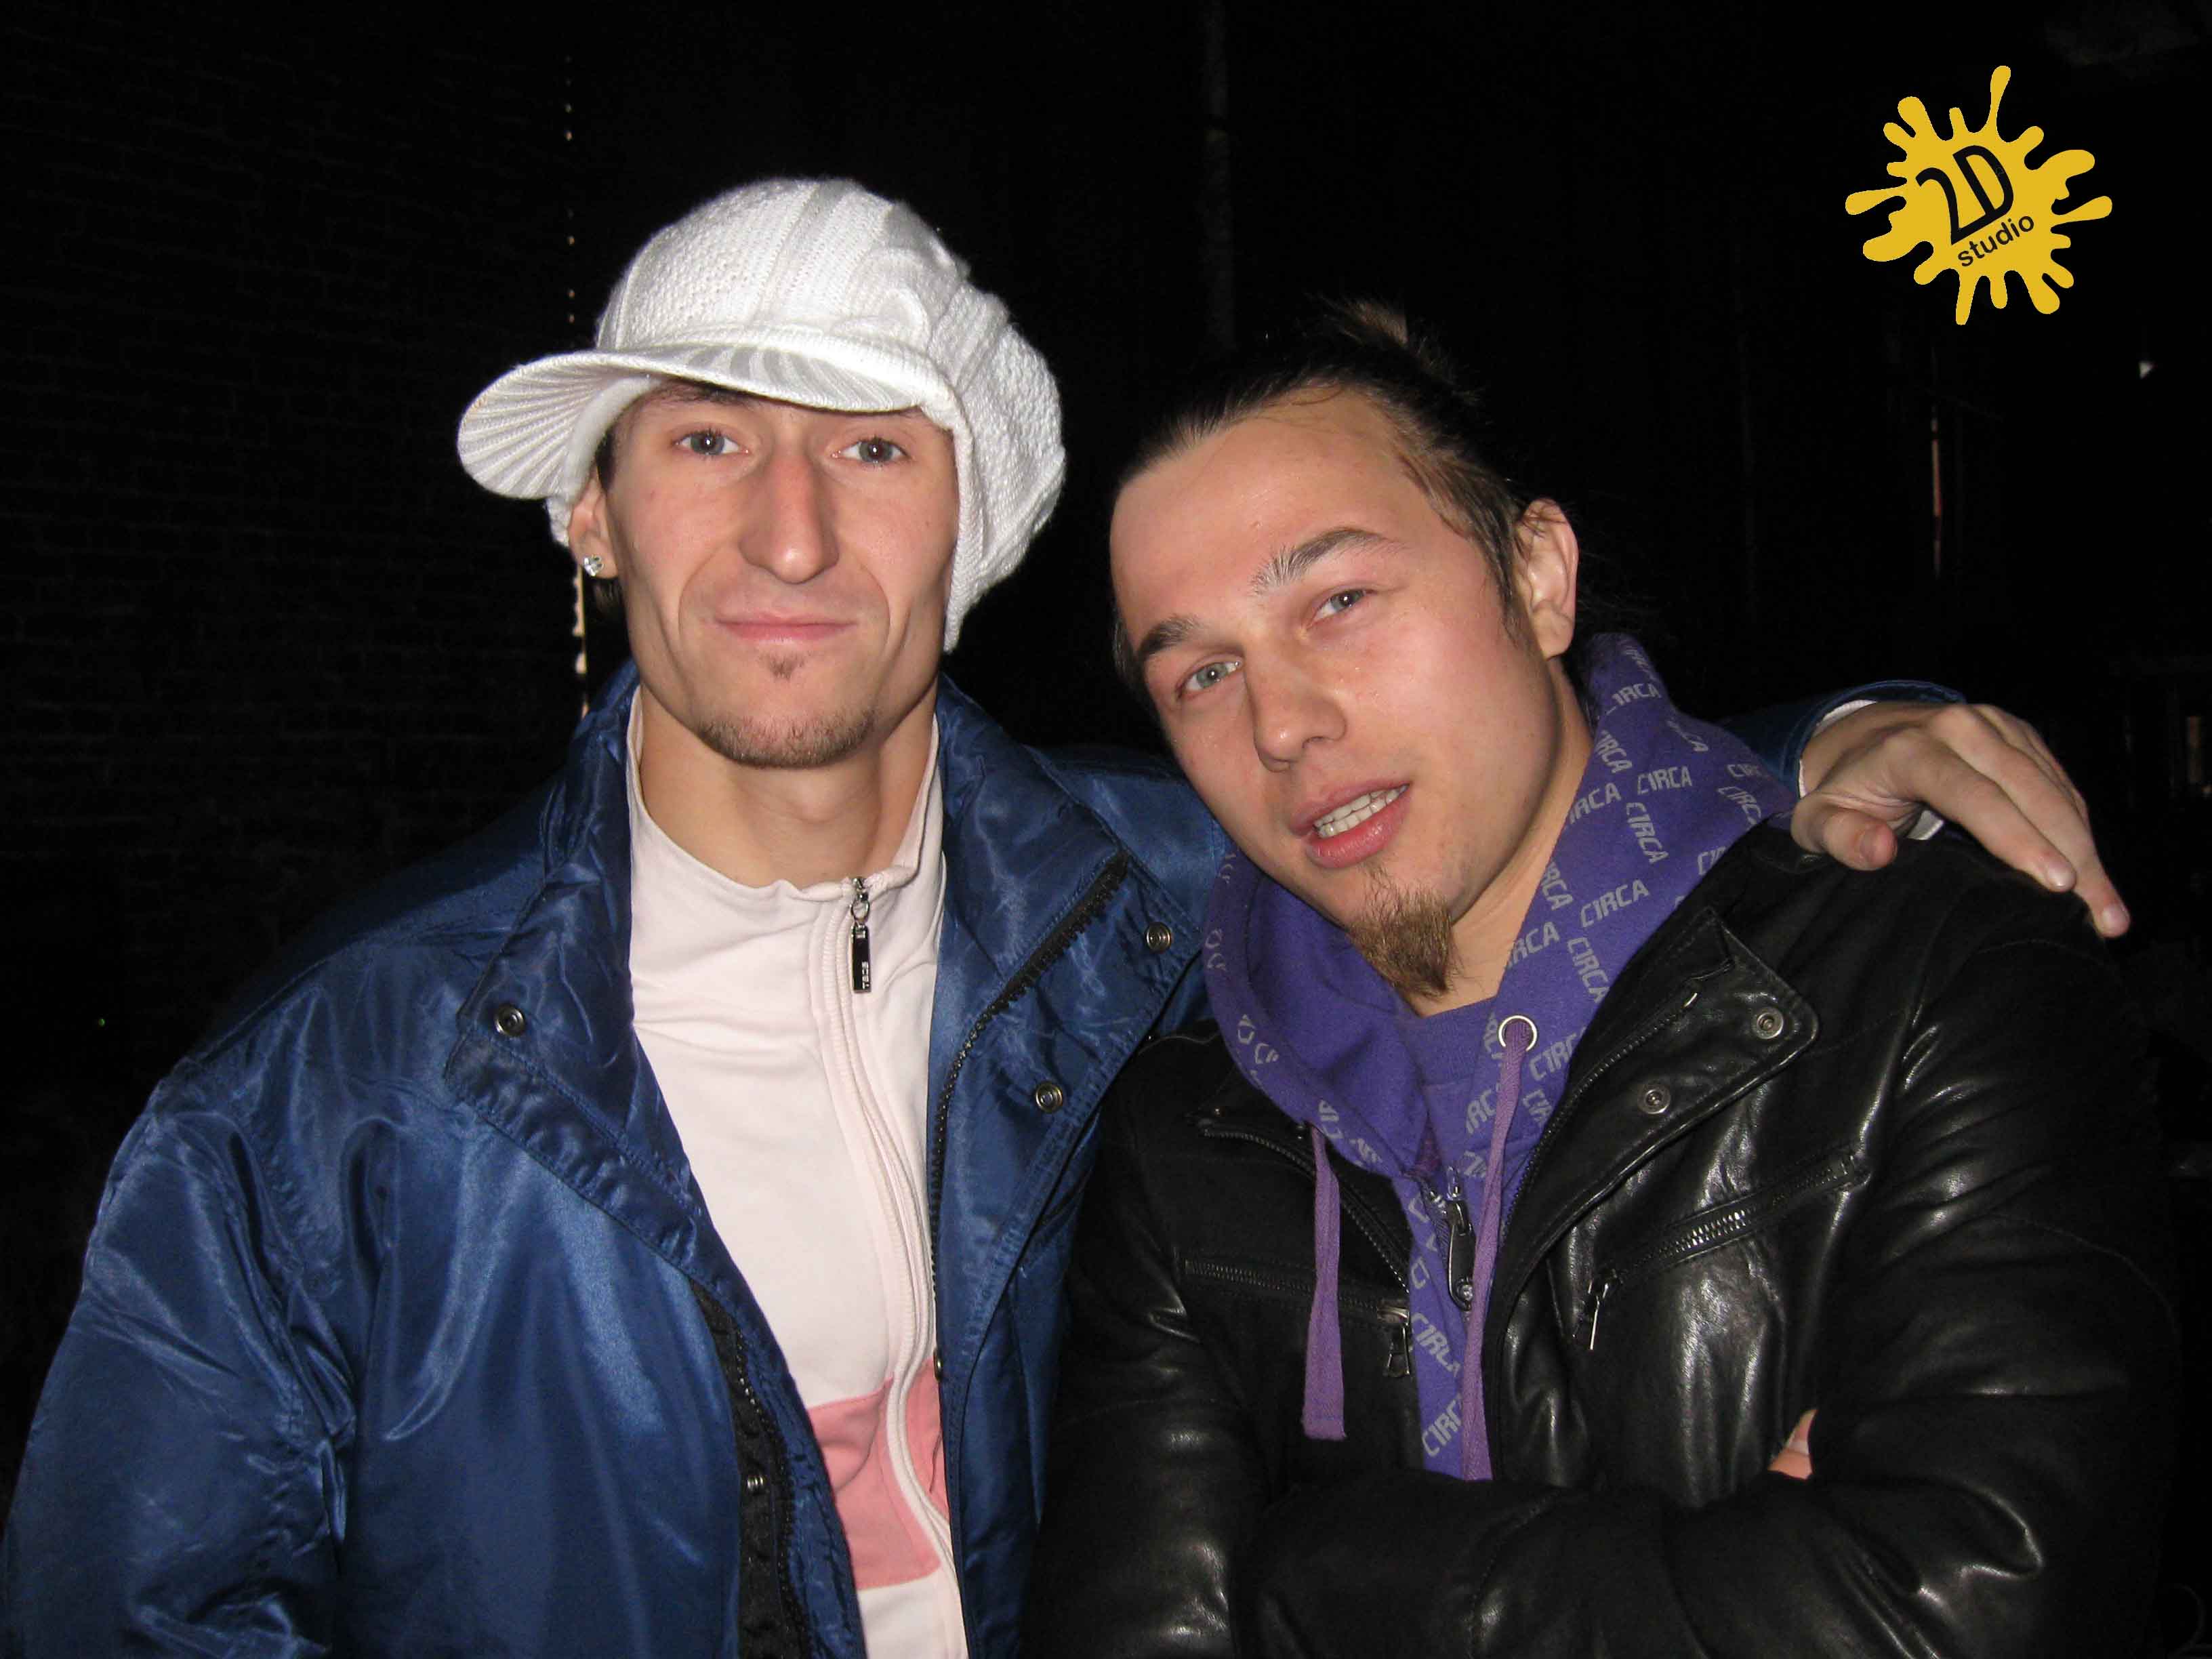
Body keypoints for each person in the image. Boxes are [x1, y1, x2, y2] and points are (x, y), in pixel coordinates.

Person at [0, 184, 2131, 1658]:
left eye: (874, 450)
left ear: (975, 528)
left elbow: (1502, 810)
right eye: (706, 438)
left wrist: (1833, 737)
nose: (789, 532)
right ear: (593, 510)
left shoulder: (1170, 900)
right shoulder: (332, 1090)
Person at [1026, 304, 2176, 1656]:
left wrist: (1319, 1576)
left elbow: (1968, 1613)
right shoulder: (1184, 1132)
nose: (1282, 725)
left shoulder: (1926, 986)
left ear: (1540, 578)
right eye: (1204, 672)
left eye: (1339, 602)